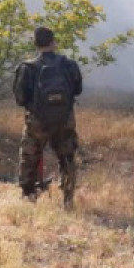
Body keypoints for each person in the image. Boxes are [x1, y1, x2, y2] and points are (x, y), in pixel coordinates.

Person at [13, 27, 83, 209]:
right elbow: (78, 90)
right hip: (64, 120)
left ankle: (28, 196)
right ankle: (68, 199)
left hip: (37, 121)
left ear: (35, 44)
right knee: (67, 158)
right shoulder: (69, 65)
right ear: (54, 42)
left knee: (29, 156)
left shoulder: (27, 68)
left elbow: (20, 98)